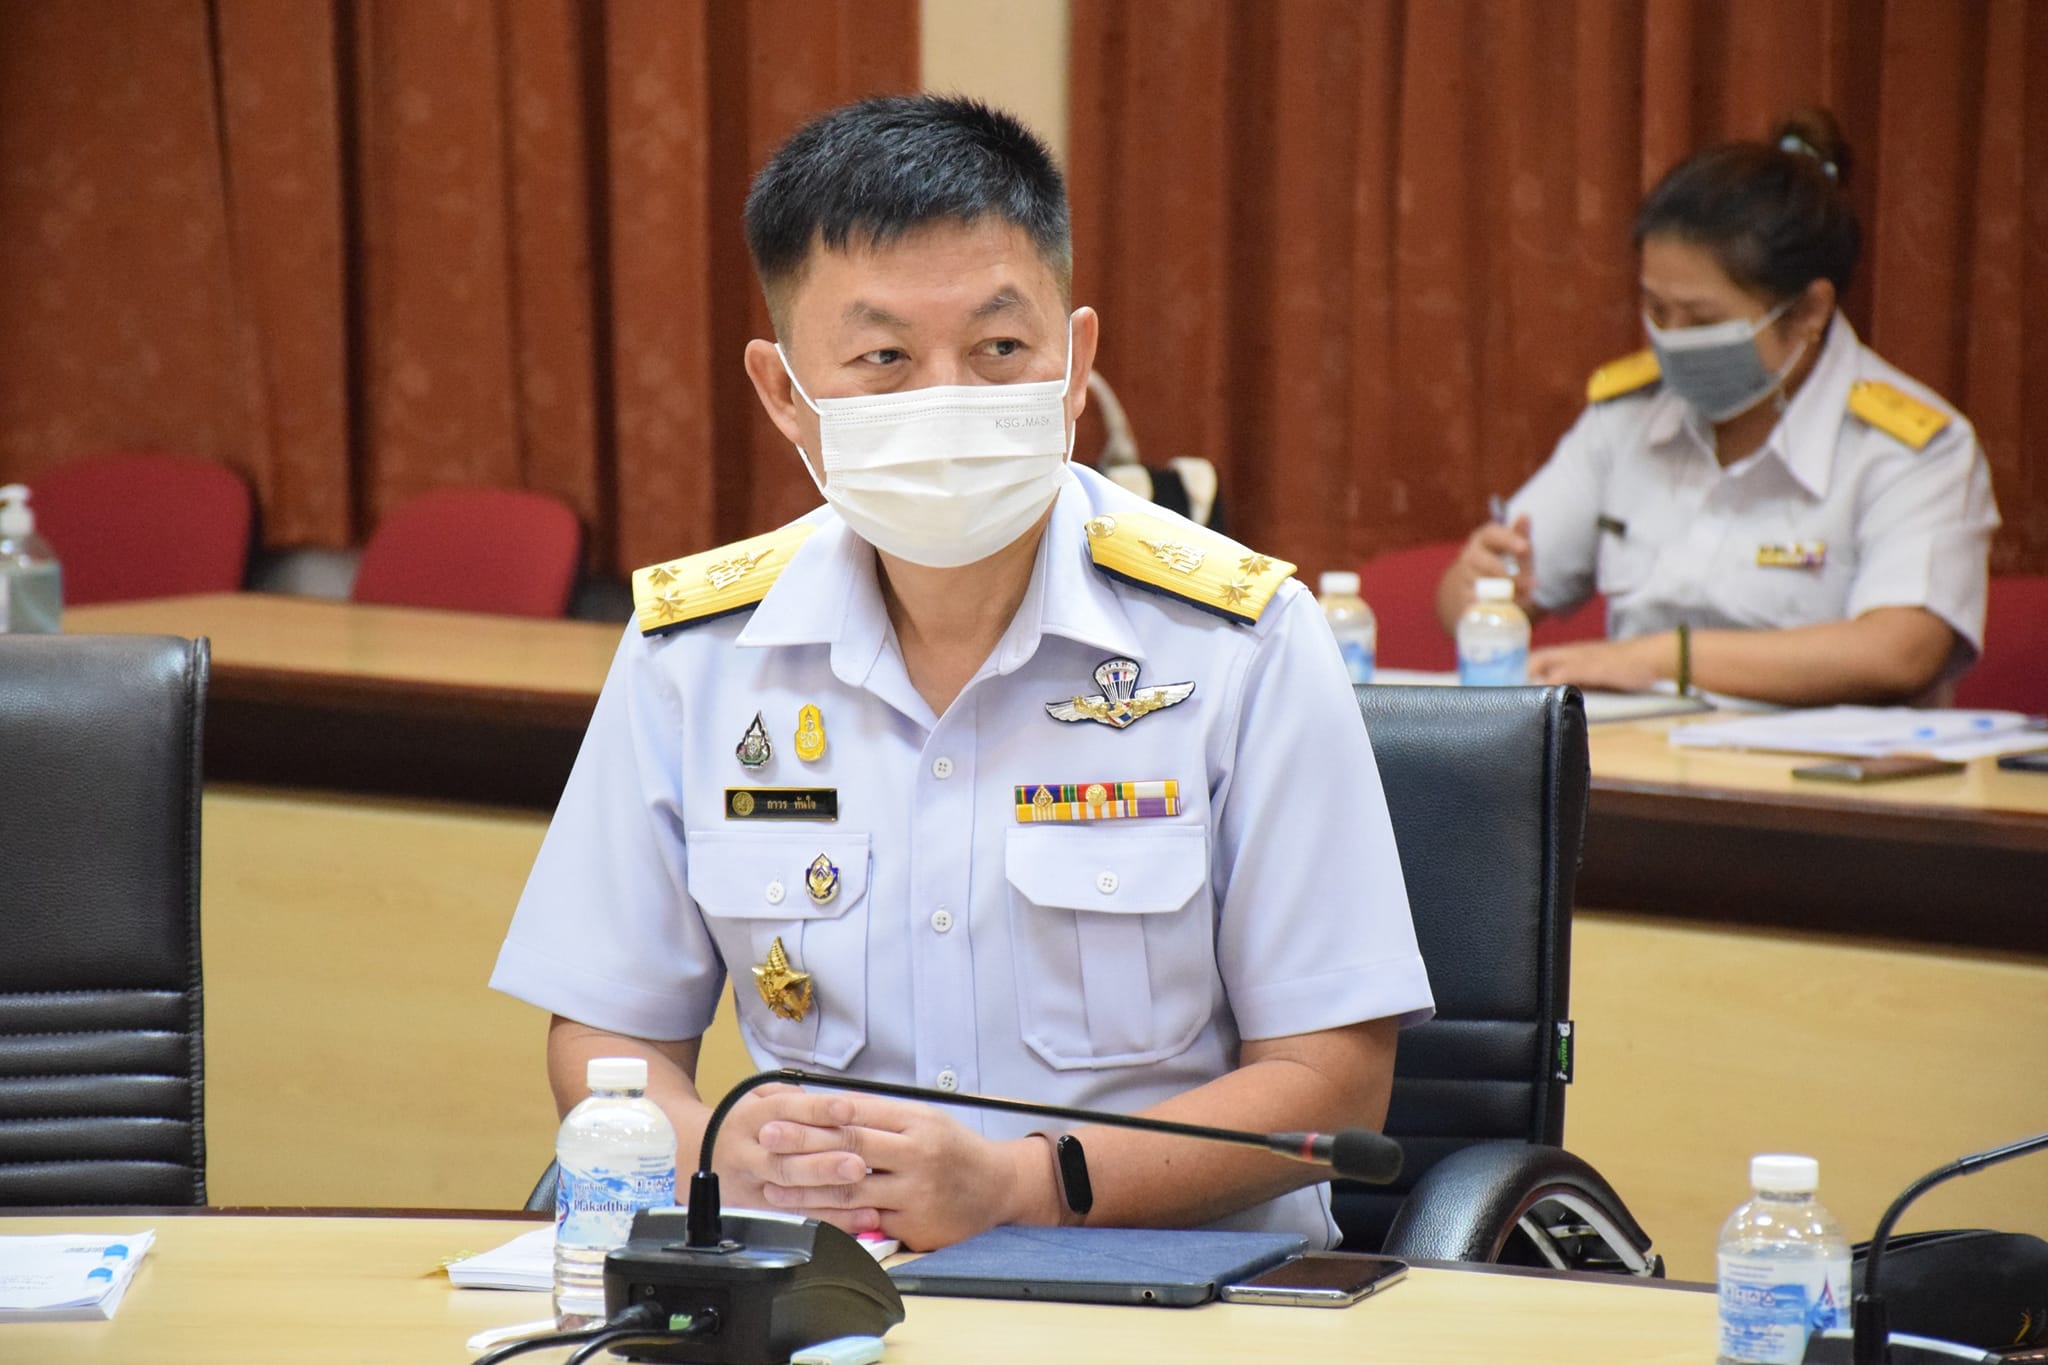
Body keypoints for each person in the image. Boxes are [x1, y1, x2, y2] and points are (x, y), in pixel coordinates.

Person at [491, 95, 1432, 1252]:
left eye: (997, 351)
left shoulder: (1242, 643)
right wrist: (710, 1149)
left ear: (1073, 364)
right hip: (824, 1285)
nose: (946, 399)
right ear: (784, 393)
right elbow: (607, 1034)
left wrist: (1020, 1186)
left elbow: (1333, 1081)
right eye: (883, 358)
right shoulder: (693, 657)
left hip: (1169, 1289)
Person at [1435, 109, 2000, 705]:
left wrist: (1660, 659)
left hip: (1813, 762)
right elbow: (1467, 604)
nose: (1673, 339)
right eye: (1657, 310)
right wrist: (1475, 587)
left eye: (1703, 320)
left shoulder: (1911, 446)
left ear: (1810, 310)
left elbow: (1901, 651)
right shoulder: (1628, 417)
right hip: (1631, 756)